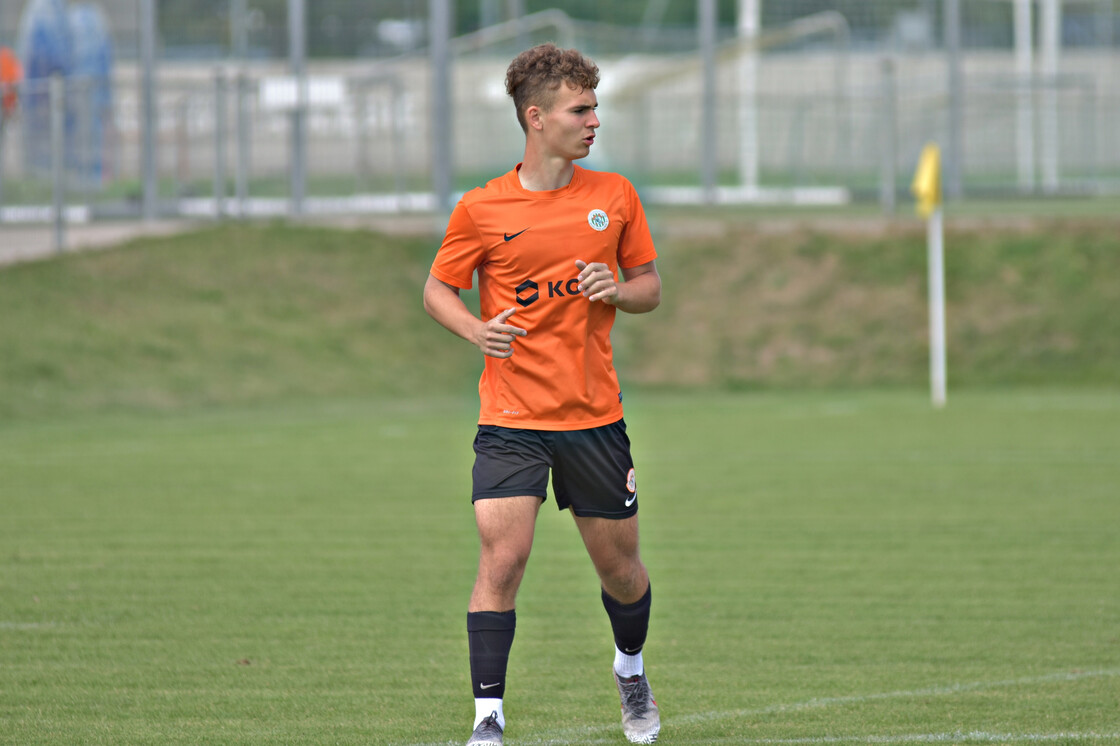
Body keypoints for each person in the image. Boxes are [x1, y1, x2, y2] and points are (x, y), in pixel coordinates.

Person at [423, 43, 663, 746]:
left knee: (620, 572)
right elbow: (439, 289)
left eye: (594, 107)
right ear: (537, 118)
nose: (594, 120)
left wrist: (616, 289)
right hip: (510, 419)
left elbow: (650, 288)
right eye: (580, 109)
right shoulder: (482, 208)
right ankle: (487, 721)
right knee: (503, 559)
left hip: (594, 419)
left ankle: (630, 669)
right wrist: (475, 329)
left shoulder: (614, 196)